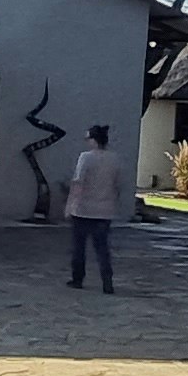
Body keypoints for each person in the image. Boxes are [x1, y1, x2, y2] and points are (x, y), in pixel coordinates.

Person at [61, 122, 127, 292]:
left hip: (83, 209)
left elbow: (78, 183)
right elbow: (118, 185)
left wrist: (70, 205)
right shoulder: (115, 159)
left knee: (79, 247)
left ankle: (78, 278)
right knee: (102, 248)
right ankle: (107, 281)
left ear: (93, 140)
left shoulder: (85, 157)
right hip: (104, 210)